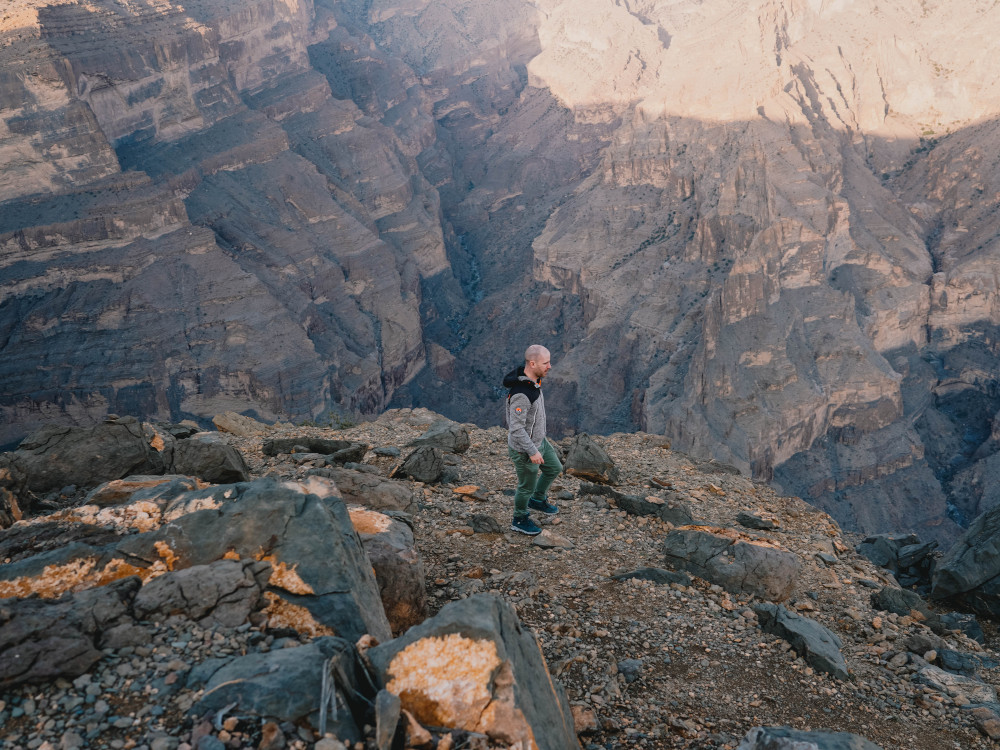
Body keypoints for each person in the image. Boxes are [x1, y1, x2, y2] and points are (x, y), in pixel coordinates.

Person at [503, 344, 563, 535]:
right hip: (524, 449)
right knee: (525, 487)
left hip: (539, 442)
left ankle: (538, 499)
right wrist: (532, 451)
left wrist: (539, 444)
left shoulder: (533, 380)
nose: (550, 366)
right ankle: (519, 519)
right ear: (532, 363)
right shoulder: (522, 393)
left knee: (555, 468)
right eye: (546, 363)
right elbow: (516, 429)